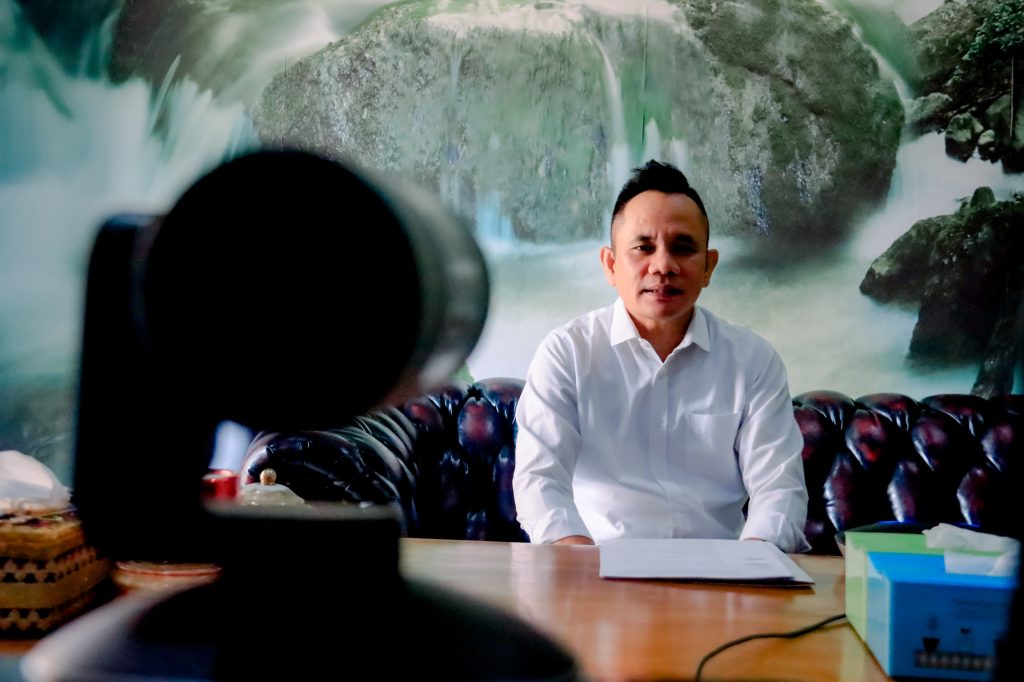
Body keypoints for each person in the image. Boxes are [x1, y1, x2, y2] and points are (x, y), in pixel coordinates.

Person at [511, 160, 810, 553]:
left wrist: (751, 565)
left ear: (709, 266)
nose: (664, 266)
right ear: (611, 265)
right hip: (597, 567)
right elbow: (538, 482)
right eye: (643, 248)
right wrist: (579, 562)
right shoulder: (568, 353)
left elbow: (780, 489)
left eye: (683, 248)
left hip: (720, 572)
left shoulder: (752, 360)